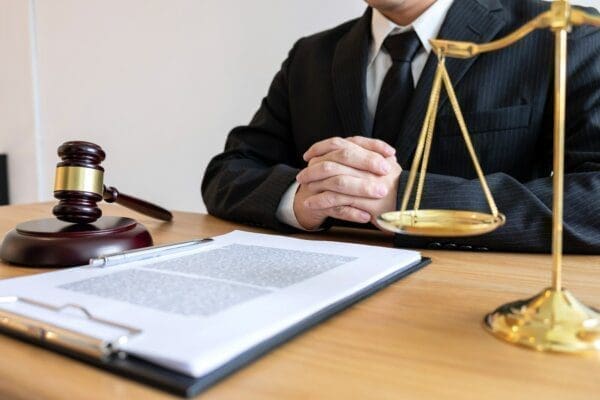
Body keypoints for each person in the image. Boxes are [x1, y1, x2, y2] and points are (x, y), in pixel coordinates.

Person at [202, 0, 600, 254]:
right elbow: (229, 171)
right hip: (320, 301)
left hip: (469, 309)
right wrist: (299, 199)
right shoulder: (311, 55)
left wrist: (406, 198)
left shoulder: (562, 34)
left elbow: (594, 198)